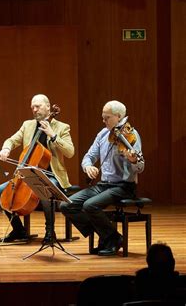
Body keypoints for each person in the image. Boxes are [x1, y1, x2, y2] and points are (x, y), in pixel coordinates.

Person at [60, 100, 145, 256]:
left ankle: (111, 238)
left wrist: (133, 161)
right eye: (103, 117)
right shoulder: (103, 134)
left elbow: (140, 166)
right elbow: (89, 156)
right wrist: (87, 166)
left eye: (107, 117)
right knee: (66, 205)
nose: (104, 120)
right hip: (104, 185)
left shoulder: (131, 134)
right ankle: (108, 235)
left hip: (123, 187)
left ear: (119, 117)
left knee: (90, 205)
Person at [0, 94, 75, 243]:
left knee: (44, 190)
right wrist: (6, 149)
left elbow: (70, 152)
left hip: (52, 175)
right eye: (32, 107)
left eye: (37, 106)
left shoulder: (62, 127)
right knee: (0, 191)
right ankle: (19, 230)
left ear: (48, 106)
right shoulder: (28, 125)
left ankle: (50, 232)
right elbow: (12, 140)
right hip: (28, 175)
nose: (34, 109)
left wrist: (53, 135)